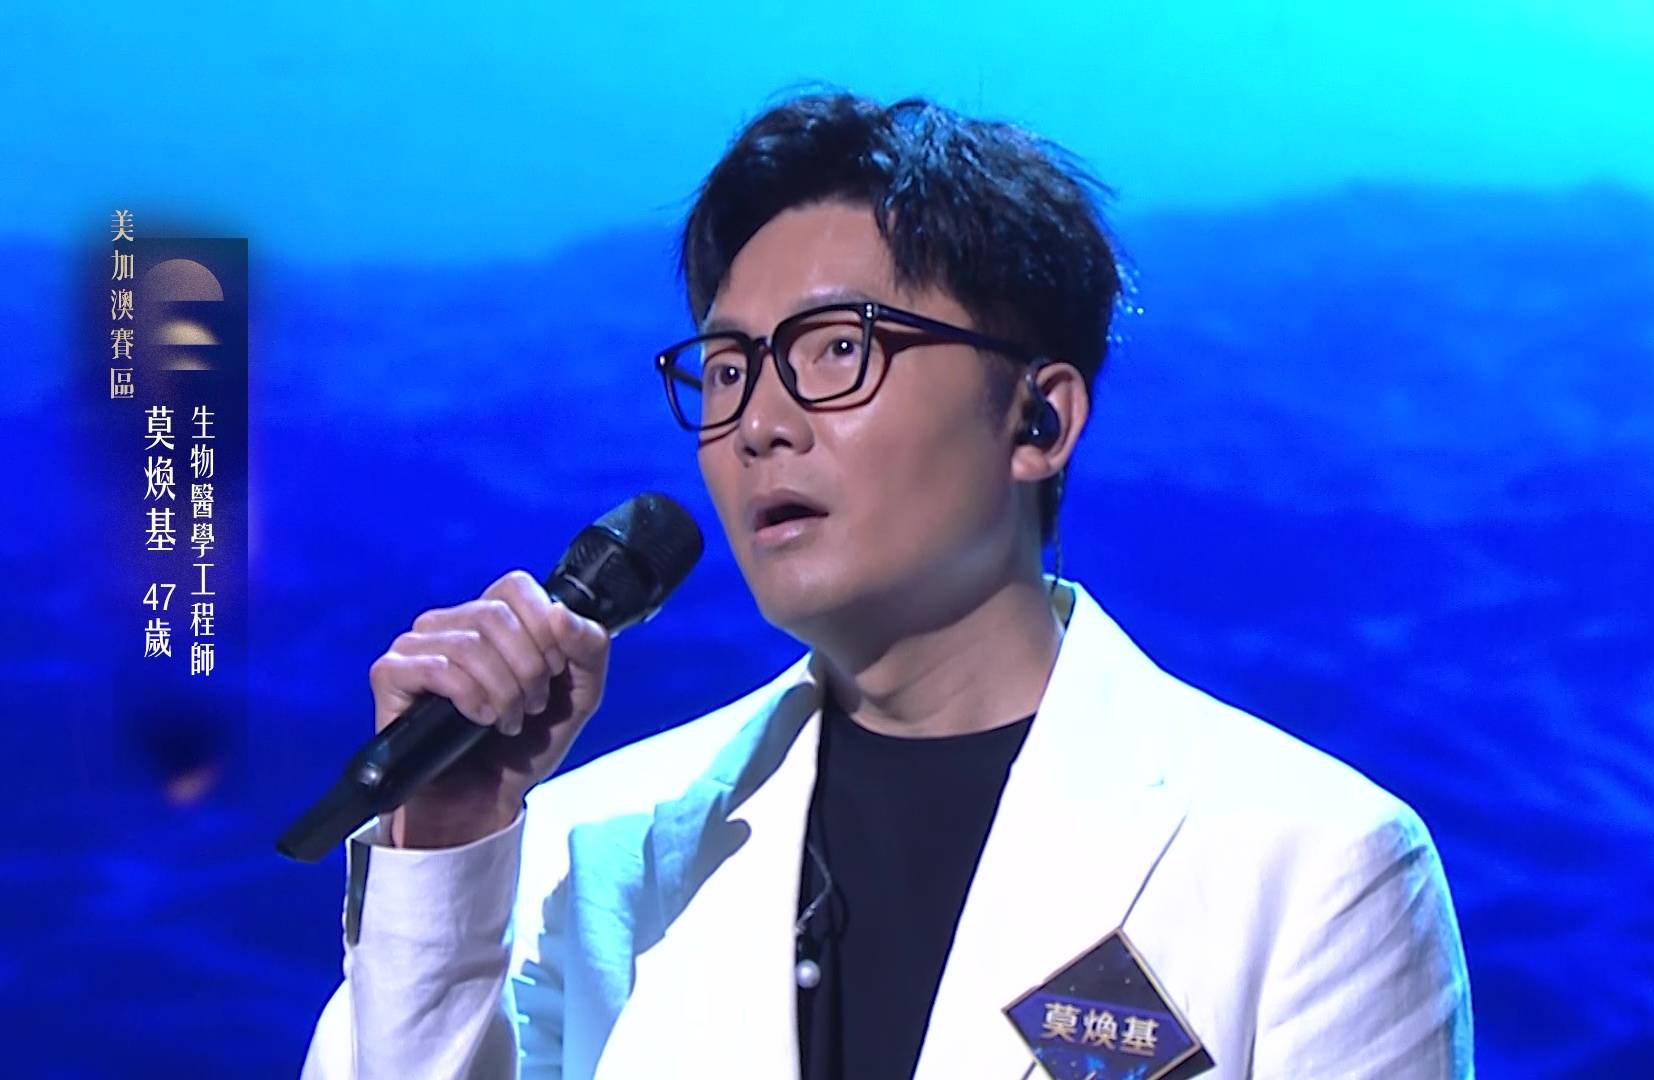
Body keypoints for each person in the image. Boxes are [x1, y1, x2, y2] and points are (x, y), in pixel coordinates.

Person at [300, 90, 1472, 1080]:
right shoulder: (579, 852)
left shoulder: (1311, 865)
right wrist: (442, 848)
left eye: (838, 349)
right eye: (727, 368)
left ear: (1040, 419)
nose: (759, 422)